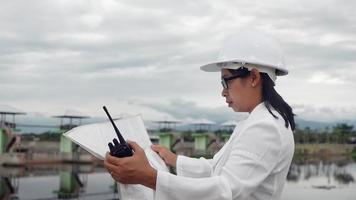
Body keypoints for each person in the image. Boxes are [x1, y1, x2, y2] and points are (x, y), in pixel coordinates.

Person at [104, 31, 295, 200]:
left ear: (253, 77)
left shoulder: (265, 127)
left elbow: (226, 190)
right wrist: (174, 160)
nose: (223, 92)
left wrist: (149, 177)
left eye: (226, 81)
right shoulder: (259, 121)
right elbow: (216, 169)